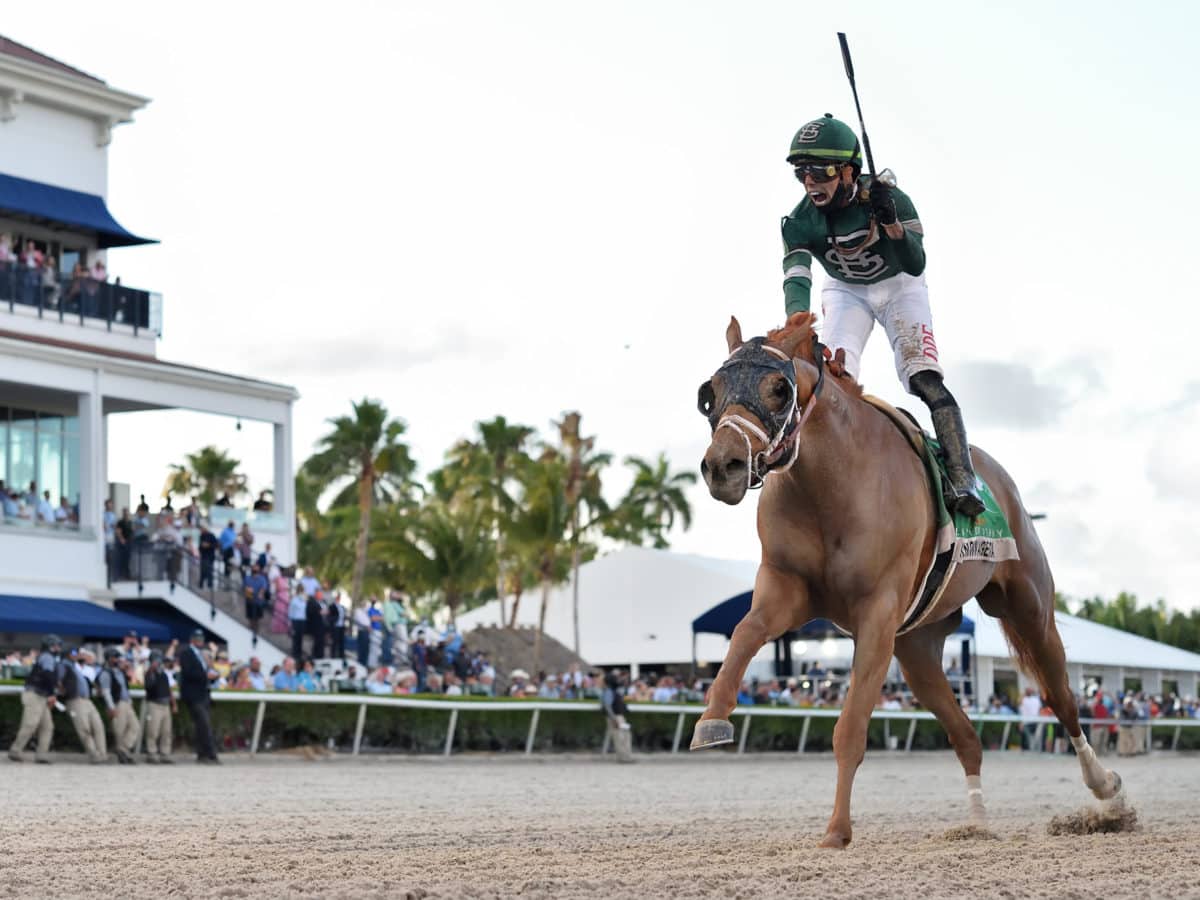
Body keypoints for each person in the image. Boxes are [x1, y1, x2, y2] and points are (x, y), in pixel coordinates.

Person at [780, 114, 984, 516]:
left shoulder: (893, 198)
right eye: (801, 172)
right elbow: (796, 279)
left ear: (848, 170)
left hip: (900, 288)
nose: (809, 183)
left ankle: (963, 476)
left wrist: (891, 223)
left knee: (922, 376)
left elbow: (913, 262)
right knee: (832, 378)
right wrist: (797, 323)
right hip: (845, 290)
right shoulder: (800, 221)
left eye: (819, 171)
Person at [8, 634, 61, 763]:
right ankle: (15, 750)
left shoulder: (47, 657)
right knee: (30, 724)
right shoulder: (47, 657)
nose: (58, 647)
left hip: (41, 696)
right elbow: (48, 676)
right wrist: (52, 693)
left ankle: (41, 755)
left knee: (47, 726)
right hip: (35, 695)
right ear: (50, 646)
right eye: (56, 645)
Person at [60, 646, 107, 763]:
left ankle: (102, 754)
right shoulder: (64, 665)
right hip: (75, 700)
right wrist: (62, 690)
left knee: (98, 726)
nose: (78, 655)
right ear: (68, 654)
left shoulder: (76, 667)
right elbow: (57, 680)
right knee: (84, 729)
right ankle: (94, 755)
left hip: (87, 700)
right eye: (75, 652)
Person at [179, 629, 220, 763]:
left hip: (204, 694)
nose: (200, 641)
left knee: (201, 726)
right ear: (192, 640)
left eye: (201, 639)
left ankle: (202, 754)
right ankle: (211, 754)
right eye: (198, 639)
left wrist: (213, 676)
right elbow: (188, 673)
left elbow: (207, 672)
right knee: (204, 724)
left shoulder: (203, 655)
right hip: (193, 695)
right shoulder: (186, 653)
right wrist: (205, 676)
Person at [96, 648, 140, 764]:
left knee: (135, 727)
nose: (118, 660)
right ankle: (123, 755)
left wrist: (130, 701)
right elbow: (106, 691)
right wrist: (111, 707)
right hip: (117, 704)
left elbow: (125, 688)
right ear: (109, 659)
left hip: (126, 703)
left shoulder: (120, 672)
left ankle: (122, 749)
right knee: (119, 730)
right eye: (115, 657)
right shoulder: (105, 673)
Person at [142, 650, 176, 763]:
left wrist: (173, 704)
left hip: (165, 705)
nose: (158, 662)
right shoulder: (149, 674)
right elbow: (148, 687)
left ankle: (165, 753)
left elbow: (169, 690)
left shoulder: (164, 674)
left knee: (166, 731)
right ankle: (151, 753)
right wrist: (151, 670)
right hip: (154, 704)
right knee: (153, 730)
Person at [601, 670, 634, 763]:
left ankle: (627, 756)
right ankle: (623, 758)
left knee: (625, 736)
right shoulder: (608, 691)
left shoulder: (613, 691)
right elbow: (607, 705)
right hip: (616, 717)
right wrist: (614, 718)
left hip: (620, 716)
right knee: (620, 737)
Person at [243, 562, 269, 647]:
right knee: (250, 618)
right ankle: (250, 632)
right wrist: (249, 592)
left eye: (256, 567)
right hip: (250, 601)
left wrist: (260, 593)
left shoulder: (262, 579)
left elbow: (263, 588)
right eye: (254, 567)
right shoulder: (247, 578)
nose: (255, 569)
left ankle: (256, 633)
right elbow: (245, 587)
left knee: (257, 619)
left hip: (258, 602)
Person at [1019, 686, 1043, 752]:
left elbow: (1040, 710)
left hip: (1035, 722)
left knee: (1033, 739)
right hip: (1026, 722)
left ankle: (1033, 750)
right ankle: (1028, 751)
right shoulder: (1024, 699)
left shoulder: (1036, 699)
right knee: (1027, 740)